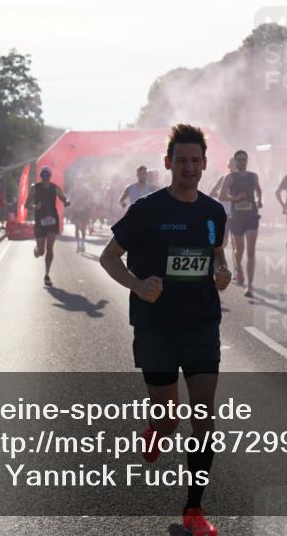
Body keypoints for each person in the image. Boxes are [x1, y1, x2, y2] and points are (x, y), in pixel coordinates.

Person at [100, 124, 230, 536]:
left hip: (201, 325)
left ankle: (194, 508)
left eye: (196, 160)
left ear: (205, 164)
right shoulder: (147, 210)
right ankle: (156, 430)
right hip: (156, 328)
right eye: (182, 161)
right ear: (168, 164)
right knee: (170, 420)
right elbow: (108, 258)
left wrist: (222, 271)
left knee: (204, 416)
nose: (189, 167)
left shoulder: (214, 212)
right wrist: (138, 285)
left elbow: (215, 255)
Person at [221, 150, 262, 297]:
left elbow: (259, 190)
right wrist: (236, 198)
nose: (242, 162)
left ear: (247, 161)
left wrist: (260, 200)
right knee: (239, 250)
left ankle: (249, 285)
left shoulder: (253, 176)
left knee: (251, 251)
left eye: (244, 159)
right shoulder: (230, 177)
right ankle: (238, 267)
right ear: (235, 161)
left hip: (251, 216)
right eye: (239, 160)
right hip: (237, 217)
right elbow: (222, 195)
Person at [24, 166, 70, 286]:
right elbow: (26, 205)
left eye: (47, 175)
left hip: (52, 220)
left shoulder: (55, 188)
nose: (45, 178)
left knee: (50, 248)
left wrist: (67, 202)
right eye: (43, 175)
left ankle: (47, 274)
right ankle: (37, 249)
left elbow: (64, 198)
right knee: (41, 251)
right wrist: (34, 207)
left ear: (50, 176)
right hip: (40, 220)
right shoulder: (34, 188)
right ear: (41, 176)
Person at [207, 158, 236, 251]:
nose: (233, 166)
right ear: (228, 165)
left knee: (236, 236)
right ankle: (221, 257)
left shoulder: (241, 178)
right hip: (225, 209)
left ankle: (236, 261)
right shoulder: (223, 177)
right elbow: (212, 192)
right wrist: (222, 196)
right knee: (225, 234)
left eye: (235, 163)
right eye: (231, 163)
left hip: (237, 210)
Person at [68, 180, 95, 252]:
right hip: (76, 210)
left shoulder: (87, 190)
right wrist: (69, 206)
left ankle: (82, 244)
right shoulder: (73, 190)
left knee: (83, 228)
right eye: (77, 182)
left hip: (84, 211)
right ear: (76, 183)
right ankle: (78, 245)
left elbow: (92, 199)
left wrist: (88, 202)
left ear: (82, 183)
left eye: (80, 182)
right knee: (77, 228)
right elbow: (69, 200)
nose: (79, 183)